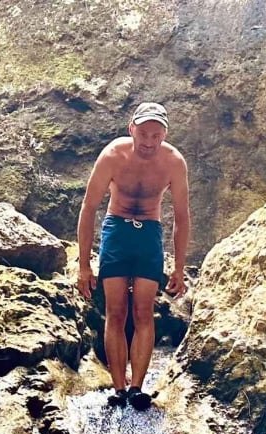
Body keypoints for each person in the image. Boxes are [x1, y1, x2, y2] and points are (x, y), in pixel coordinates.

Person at [75, 101, 190, 412]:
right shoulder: (113, 154)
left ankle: (137, 388)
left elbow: (182, 215)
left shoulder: (174, 162)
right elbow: (89, 207)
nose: (149, 142)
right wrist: (83, 265)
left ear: (165, 134)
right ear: (131, 130)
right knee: (115, 310)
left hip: (149, 233)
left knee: (143, 311)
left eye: (156, 135)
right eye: (144, 134)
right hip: (117, 231)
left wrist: (179, 267)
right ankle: (118, 388)